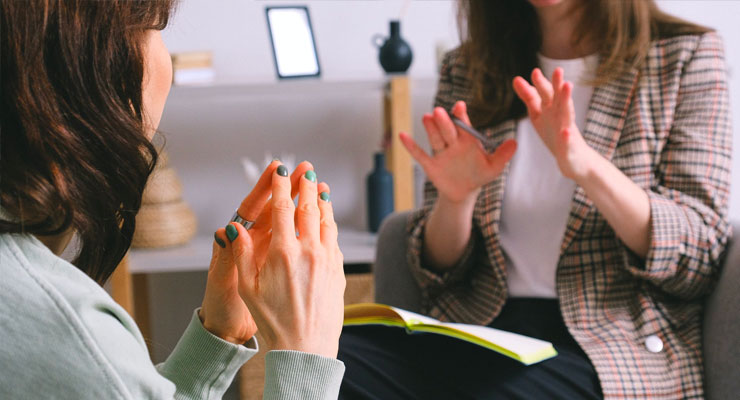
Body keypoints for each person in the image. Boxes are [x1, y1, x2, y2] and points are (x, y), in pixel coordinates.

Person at [338, 0, 732, 398]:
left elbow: (699, 255)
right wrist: (456, 200)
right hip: (480, 333)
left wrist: (585, 166)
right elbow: (440, 272)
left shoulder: (685, 54)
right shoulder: (469, 67)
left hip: (612, 347)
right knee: (321, 364)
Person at [0, 1, 346, 399]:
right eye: (155, 27)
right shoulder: (68, 332)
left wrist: (217, 335)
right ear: (84, 62)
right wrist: (306, 353)